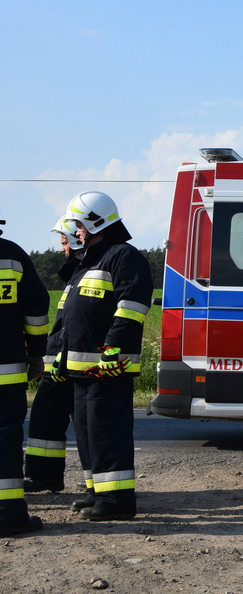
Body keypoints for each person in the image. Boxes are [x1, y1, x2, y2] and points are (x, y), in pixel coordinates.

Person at [60, 191, 153, 521]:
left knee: (107, 435)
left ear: (95, 221)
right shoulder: (89, 261)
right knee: (87, 435)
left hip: (108, 368)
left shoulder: (124, 257)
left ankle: (116, 503)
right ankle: (97, 494)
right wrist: (58, 360)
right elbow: (70, 317)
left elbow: (131, 309)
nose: (77, 232)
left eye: (79, 225)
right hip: (82, 371)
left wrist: (110, 353)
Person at [0, 210, 51, 537]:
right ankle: (8, 514)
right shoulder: (12, 257)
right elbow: (35, 311)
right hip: (6, 374)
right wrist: (36, 355)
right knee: (5, 440)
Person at [23, 219, 83, 492]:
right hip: (59, 362)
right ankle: (44, 477)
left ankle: (99, 485)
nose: (61, 250)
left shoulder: (86, 270)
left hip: (77, 364)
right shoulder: (75, 272)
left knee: (85, 426)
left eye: (63, 243)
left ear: (77, 239)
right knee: (45, 417)